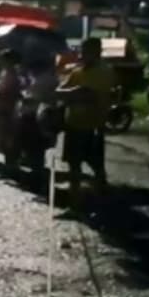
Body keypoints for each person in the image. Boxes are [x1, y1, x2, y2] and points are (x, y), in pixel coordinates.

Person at [57, 37, 115, 208]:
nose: (81, 54)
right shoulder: (78, 70)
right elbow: (59, 91)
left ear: (96, 52)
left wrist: (72, 93)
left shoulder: (104, 71)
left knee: (96, 165)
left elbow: (87, 95)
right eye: (82, 50)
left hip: (93, 126)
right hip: (73, 124)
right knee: (73, 166)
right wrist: (72, 92)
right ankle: (75, 203)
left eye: (85, 51)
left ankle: (101, 201)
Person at [18, 55, 60, 188]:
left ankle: (37, 177)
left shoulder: (45, 80)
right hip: (36, 115)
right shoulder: (42, 78)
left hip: (36, 116)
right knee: (35, 149)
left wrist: (24, 97)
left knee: (35, 148)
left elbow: (36, 97)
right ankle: (36, 174)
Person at [0, 48, 23, 172]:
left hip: (9, 109)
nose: (0, 61)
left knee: (8, 139)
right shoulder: (4, 72)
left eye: (3, 59)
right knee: (3, 139)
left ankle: (11, 166)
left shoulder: (14, 74)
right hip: (1, 107)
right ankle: (9, 165)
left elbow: (11, 91)